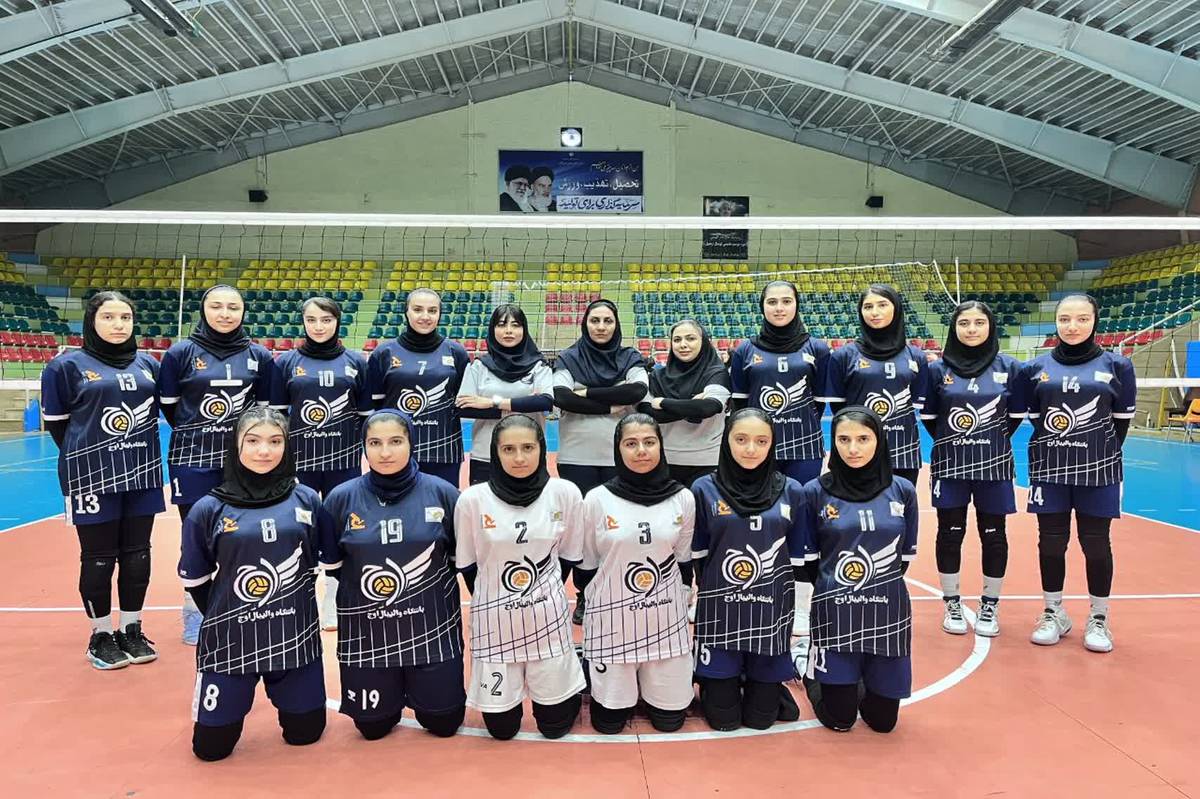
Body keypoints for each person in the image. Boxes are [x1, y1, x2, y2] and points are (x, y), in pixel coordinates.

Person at [178, 407, 325, 761]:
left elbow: (316, 564)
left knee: (306, 734)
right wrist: (230, 616)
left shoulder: (307, 499)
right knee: (210, 750)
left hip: (294, 638)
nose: (264, 451)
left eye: (275, 442)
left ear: (287, 447)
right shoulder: (208, 509)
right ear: (237, 445)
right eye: (254, 441)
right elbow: (197, 579)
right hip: (231, 643)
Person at [317, 410, 465, 740]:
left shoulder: (443, 494)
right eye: (375, 443)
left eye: (396, 441)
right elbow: (335, 568)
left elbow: (458, 562)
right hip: (368, 634)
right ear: (364, 447)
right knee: (372, 728)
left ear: (412, 442)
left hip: (431, 631)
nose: (385, 452)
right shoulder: (340, 499)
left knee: (444, 724)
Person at [41, 291, 164, 669]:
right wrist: (92, 456)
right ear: (91, 321)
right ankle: (100, 635)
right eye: (108, 317)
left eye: (125, 317)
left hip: (142, 471)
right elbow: (58, 425)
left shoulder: (148, 364)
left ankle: (131, 629)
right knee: (98, 557)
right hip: (90, 476)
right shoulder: (65, 366)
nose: (118, 325)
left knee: (138, 553)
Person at [453, 414, 587, 740]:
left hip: (547, 621)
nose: (519, 458)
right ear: (495, 453)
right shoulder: (472, 500)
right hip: (495, 625)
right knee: (502, 730)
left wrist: (538, 593)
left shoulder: (564, 493)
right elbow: (468, 566)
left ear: (542, 448)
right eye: (508, 449)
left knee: (554, 728)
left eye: (528, 448)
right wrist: (499, 598)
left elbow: (569, 557)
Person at [160, 284, 278, 644]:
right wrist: (200, 432)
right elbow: (170, 406)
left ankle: (243, 606)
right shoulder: (180, 353)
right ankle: (196, 612)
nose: (225, 313)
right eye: (216, 306)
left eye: (232, 307)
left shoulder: (259, 356)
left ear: (243, 312)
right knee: (196, 536)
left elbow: (265, 413)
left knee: (244, 535)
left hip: (244, 463)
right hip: (192, 459)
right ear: (203, 309)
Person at [1019, 295, 1136, 653]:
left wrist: (1093, 454)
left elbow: (1120, 424)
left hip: (1099, 470)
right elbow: (1036, 419)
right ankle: (1053, 612)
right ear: (1056, 322)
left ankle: (1099, 618)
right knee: (1051, 543)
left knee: (1096, 544)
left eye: (1082, 319)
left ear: (1095, 321)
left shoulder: (1118, 365)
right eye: (1065, 319)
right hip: (1049, 469)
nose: (1072, 326)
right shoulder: (1034, 367)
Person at [797, 407, 918, 734]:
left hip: (888, 610)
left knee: (883, 723)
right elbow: (809, 562)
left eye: (863, 439)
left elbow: (903, 559)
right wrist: (840, 589)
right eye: (844, 439)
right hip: (835, 610)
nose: (853, 449)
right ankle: (809, 668)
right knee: (840, 719)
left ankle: (861, 673)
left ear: (879, 441)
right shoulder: (814, 492)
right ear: (833, 442)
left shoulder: (903, 490)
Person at [576, 414, 695, 734]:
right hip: (613, 622)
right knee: (608, 724)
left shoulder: (683, 498)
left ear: (661, 446)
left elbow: (684, 559)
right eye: (631, 443)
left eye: (649, 442)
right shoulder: (597, 499)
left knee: (670, 722)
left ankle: (656, 681)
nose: (641, 450)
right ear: (618, 449)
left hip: (664, 621)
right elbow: (587, 564)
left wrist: (684, 596)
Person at [690, 408, 804, 731]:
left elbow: (796, 561)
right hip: (720, 615)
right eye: (741, 439)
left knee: (761, 720)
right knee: (723, 720)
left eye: (761, 441)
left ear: (772, 444)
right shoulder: (703, 488)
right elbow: (699, 556)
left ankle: (775, 678)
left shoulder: (793, 490)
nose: (750, 449)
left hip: (770, 615)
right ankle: (721, 679)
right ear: (726, 441)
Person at [729, 280, 831, 641]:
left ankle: (801, 605)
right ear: (762, 307)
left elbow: (820, 402)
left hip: (804, 448)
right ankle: (756, 591)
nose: (779, 307)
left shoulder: (817, 348)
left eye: (786, 301)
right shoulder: (745, 350)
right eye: (772, 301)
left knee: (801, 523)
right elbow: (739, 404)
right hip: (757, 451)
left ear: (796, 305)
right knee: (756, 519)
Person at [920, 301, 1025, 637]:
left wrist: (988, 442)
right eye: (964, 323)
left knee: (994, 535)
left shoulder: (1010, 367)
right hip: (950, 464)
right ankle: (951, 603)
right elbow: (930, 418)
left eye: (979, 322)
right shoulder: (937, 370)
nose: (971, 329)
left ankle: (989, 604)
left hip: (994, 465)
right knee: (950, 534)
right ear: (954, 328)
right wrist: (956, 441)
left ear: (990, 327)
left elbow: (1014, 417)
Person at [273, 296, 371, 631]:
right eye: (312, 320)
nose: (319, 326)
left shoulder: (356, 362)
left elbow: (366, 417)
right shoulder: (286, 362)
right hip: (299, 462)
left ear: (337, 322)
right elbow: (277, 418)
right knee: (297, 527)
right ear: (303, 322)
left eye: (326, 320)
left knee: (339, 528)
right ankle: (299, 597)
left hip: (342, 460)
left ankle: (333, 598)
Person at [552, 299, 649, 624]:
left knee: (619, 526)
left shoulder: (630, 357)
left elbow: (636, 391)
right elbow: (562, 397)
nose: (601, 326)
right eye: (595, 320)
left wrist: (586, 394)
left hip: (620, 456)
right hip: (576, 457)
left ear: (616, 324)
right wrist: (610, 403)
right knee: (584, 532)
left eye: (608, 320)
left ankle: (617, 590)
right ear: (586, 323)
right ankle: (586, 594)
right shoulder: (568, 358)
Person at [824, 284, 929, 486]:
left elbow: (915, 403)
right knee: (851, 505)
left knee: (899, 505)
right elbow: (839, 408)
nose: (874, 312)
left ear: (896, 308)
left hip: (902, 451)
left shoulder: (916, 357)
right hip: (855, 452)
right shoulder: (843, 356)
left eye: (882, 305)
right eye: (868, 306)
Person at [367, 288, 469, 488]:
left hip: (443, 449)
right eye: (418, 309)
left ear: (440, 314)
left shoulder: (456, 352)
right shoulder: (384, 353)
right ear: (406, 312)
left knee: (442, 505)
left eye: (432, 310)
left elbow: (463, 400)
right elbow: (375, 409)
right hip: (395, 450)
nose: (425, 316)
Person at [455, 305, 554, 486]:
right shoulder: (479, 366)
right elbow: (463, 407)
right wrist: (521, 406)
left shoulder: (539, 366)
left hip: (528, 454)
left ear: (524, 330)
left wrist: (492, 402)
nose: (508, 331)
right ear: (493, 330)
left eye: (515, 325)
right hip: (485, 454)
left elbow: (545, 402)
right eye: (501, 325)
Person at [638, 319, 731, 487]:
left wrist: (663, 402)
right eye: (677, 339)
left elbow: (709, 407)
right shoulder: (657, 376)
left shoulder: (717, 373)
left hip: (707, 461)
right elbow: (648, 413)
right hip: (664, 460)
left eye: (690, 338)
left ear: (703, 341)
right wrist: (692, 405)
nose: (683, 344)